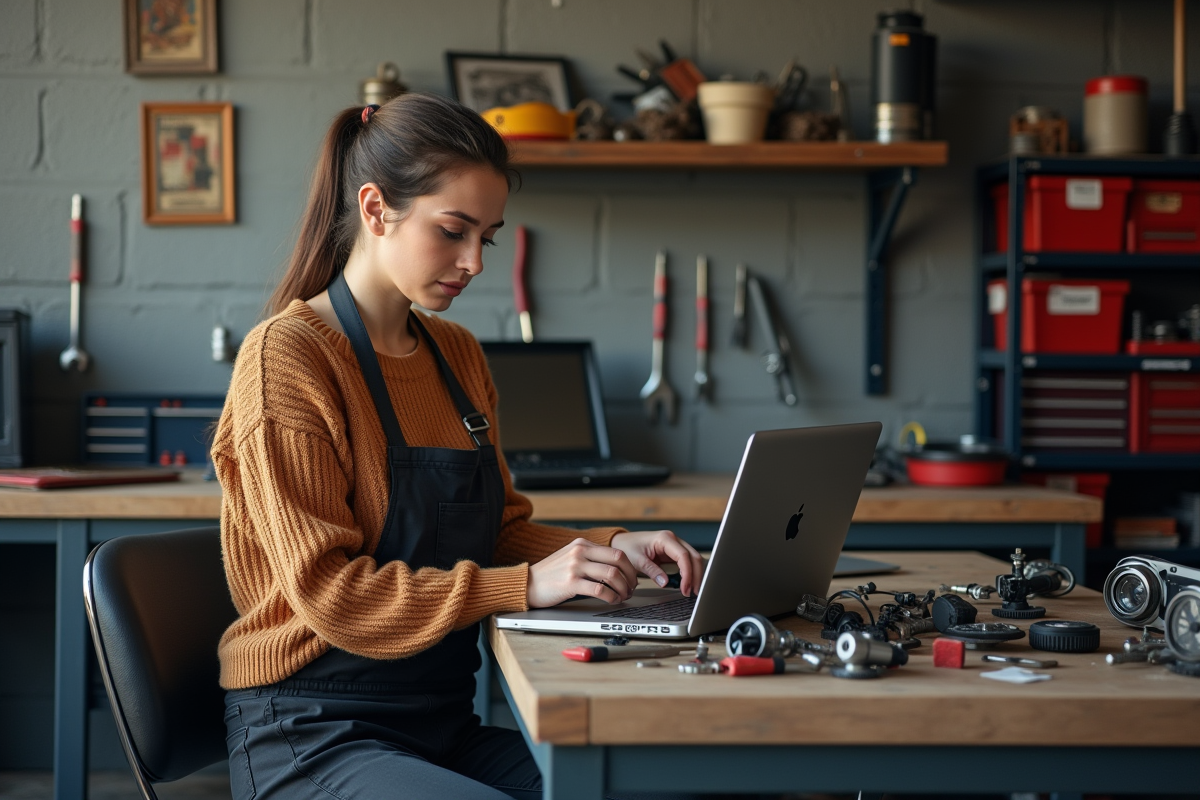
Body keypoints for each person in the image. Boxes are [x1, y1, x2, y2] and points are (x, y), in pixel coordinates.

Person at [211, 92, 704, 800]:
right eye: (453, 230)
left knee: (649, 788)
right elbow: (332, 595)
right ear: (377, 209)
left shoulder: (458, 354)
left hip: (439, 723)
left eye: (489, 237)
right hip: (308, 731)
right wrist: (530, 586)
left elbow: (498, 532)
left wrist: (609, 549)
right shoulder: (286, 359)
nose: (474, 261)